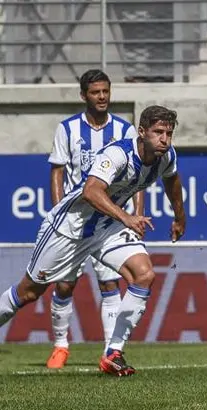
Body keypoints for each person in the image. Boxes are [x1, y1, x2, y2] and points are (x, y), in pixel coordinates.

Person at [0, 105, 185, 377]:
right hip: (68, 229)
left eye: (169, 133)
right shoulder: (117, 154)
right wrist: (127, 216)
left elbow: (172, 181)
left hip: (106, 227)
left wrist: (180, 218)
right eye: (158, 132)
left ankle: (113, 353)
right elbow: (91, 191)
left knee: (144, 274)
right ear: (142, 132)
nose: (164, 139)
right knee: (29, 292)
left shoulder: (166, 156)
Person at [45, 69, 143, 369]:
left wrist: (135, 215)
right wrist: (59, 211)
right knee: (64, 285)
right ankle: (61, 346)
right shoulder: (68, 129)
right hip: (74, 221)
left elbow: (137, 177)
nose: (102, 97)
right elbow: (57, 171)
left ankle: (109, 352)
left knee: (110, 285)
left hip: (109, 222)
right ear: (84, 95)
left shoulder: (125, 130)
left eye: (105, 91)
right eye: (95, 92)